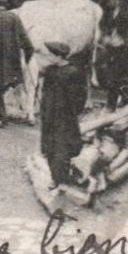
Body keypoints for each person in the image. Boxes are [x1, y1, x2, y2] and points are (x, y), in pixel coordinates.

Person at [38, 47, 89, 187]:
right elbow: (45, 92)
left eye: (51, 54)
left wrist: (74, 111)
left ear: (59, 56)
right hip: (49, 115)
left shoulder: (73, 72)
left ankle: (63, 178)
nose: (48, 57)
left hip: (65, 117)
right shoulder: (50, 70)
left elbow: (81, 94)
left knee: (63, 148)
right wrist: (44, 109)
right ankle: (55, 178)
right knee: (49, 148)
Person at [0, 0, 33, 129]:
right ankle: (1, 115)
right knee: (2, 87)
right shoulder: (14, 17)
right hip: (10, 59)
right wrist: (28, 55)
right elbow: (24, 38)